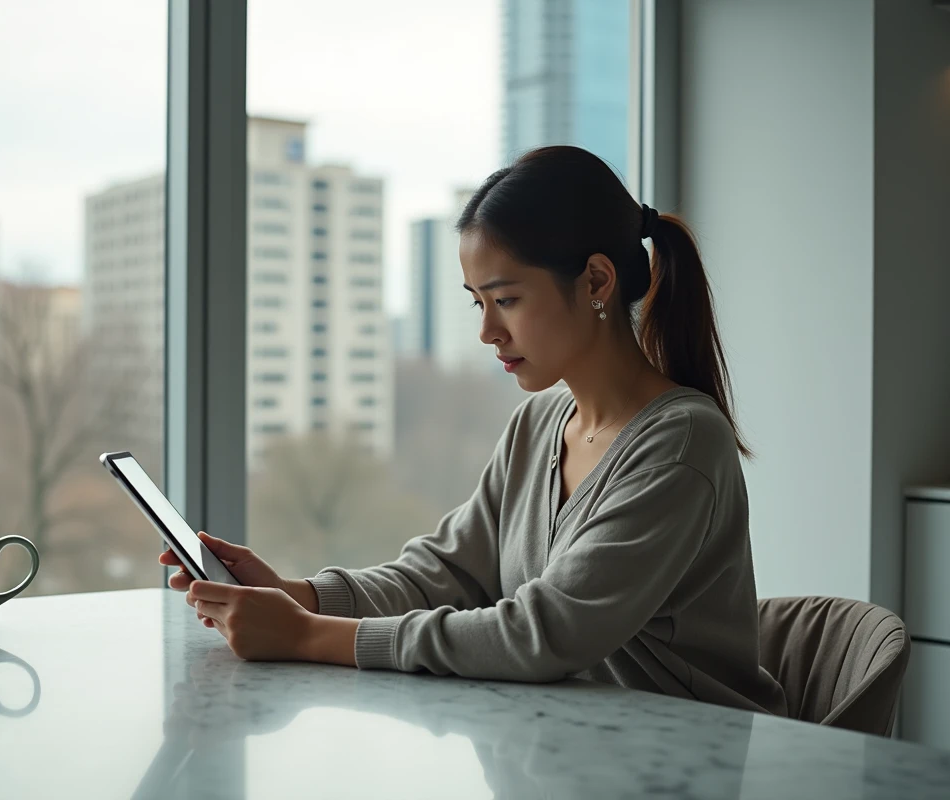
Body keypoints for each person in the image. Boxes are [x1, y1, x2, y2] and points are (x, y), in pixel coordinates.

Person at [162, 145, 788, 714]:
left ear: (596, 281)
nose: (487, 332)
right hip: (570, 749)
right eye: (476, 302)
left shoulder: (678, 444)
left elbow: (545, 633)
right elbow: (447, 574)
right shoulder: (540, 422)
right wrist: (300, 596)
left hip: (685, 764)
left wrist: (306, 636)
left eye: (507, 299)